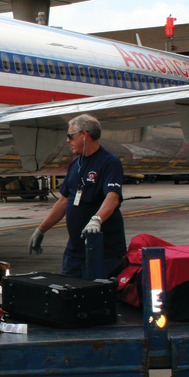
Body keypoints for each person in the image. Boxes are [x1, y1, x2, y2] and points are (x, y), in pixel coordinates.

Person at [28, 114, 126, 277]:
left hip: (103, 250)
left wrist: (97, 220)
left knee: (100, 291)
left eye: (71, 135)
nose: (68, 141)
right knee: (68, 289)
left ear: (84, 134)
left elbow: (113, 197)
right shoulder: (75, 164)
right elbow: (63, 201)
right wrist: (42, 229)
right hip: (75, 251)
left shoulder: (109, 162)